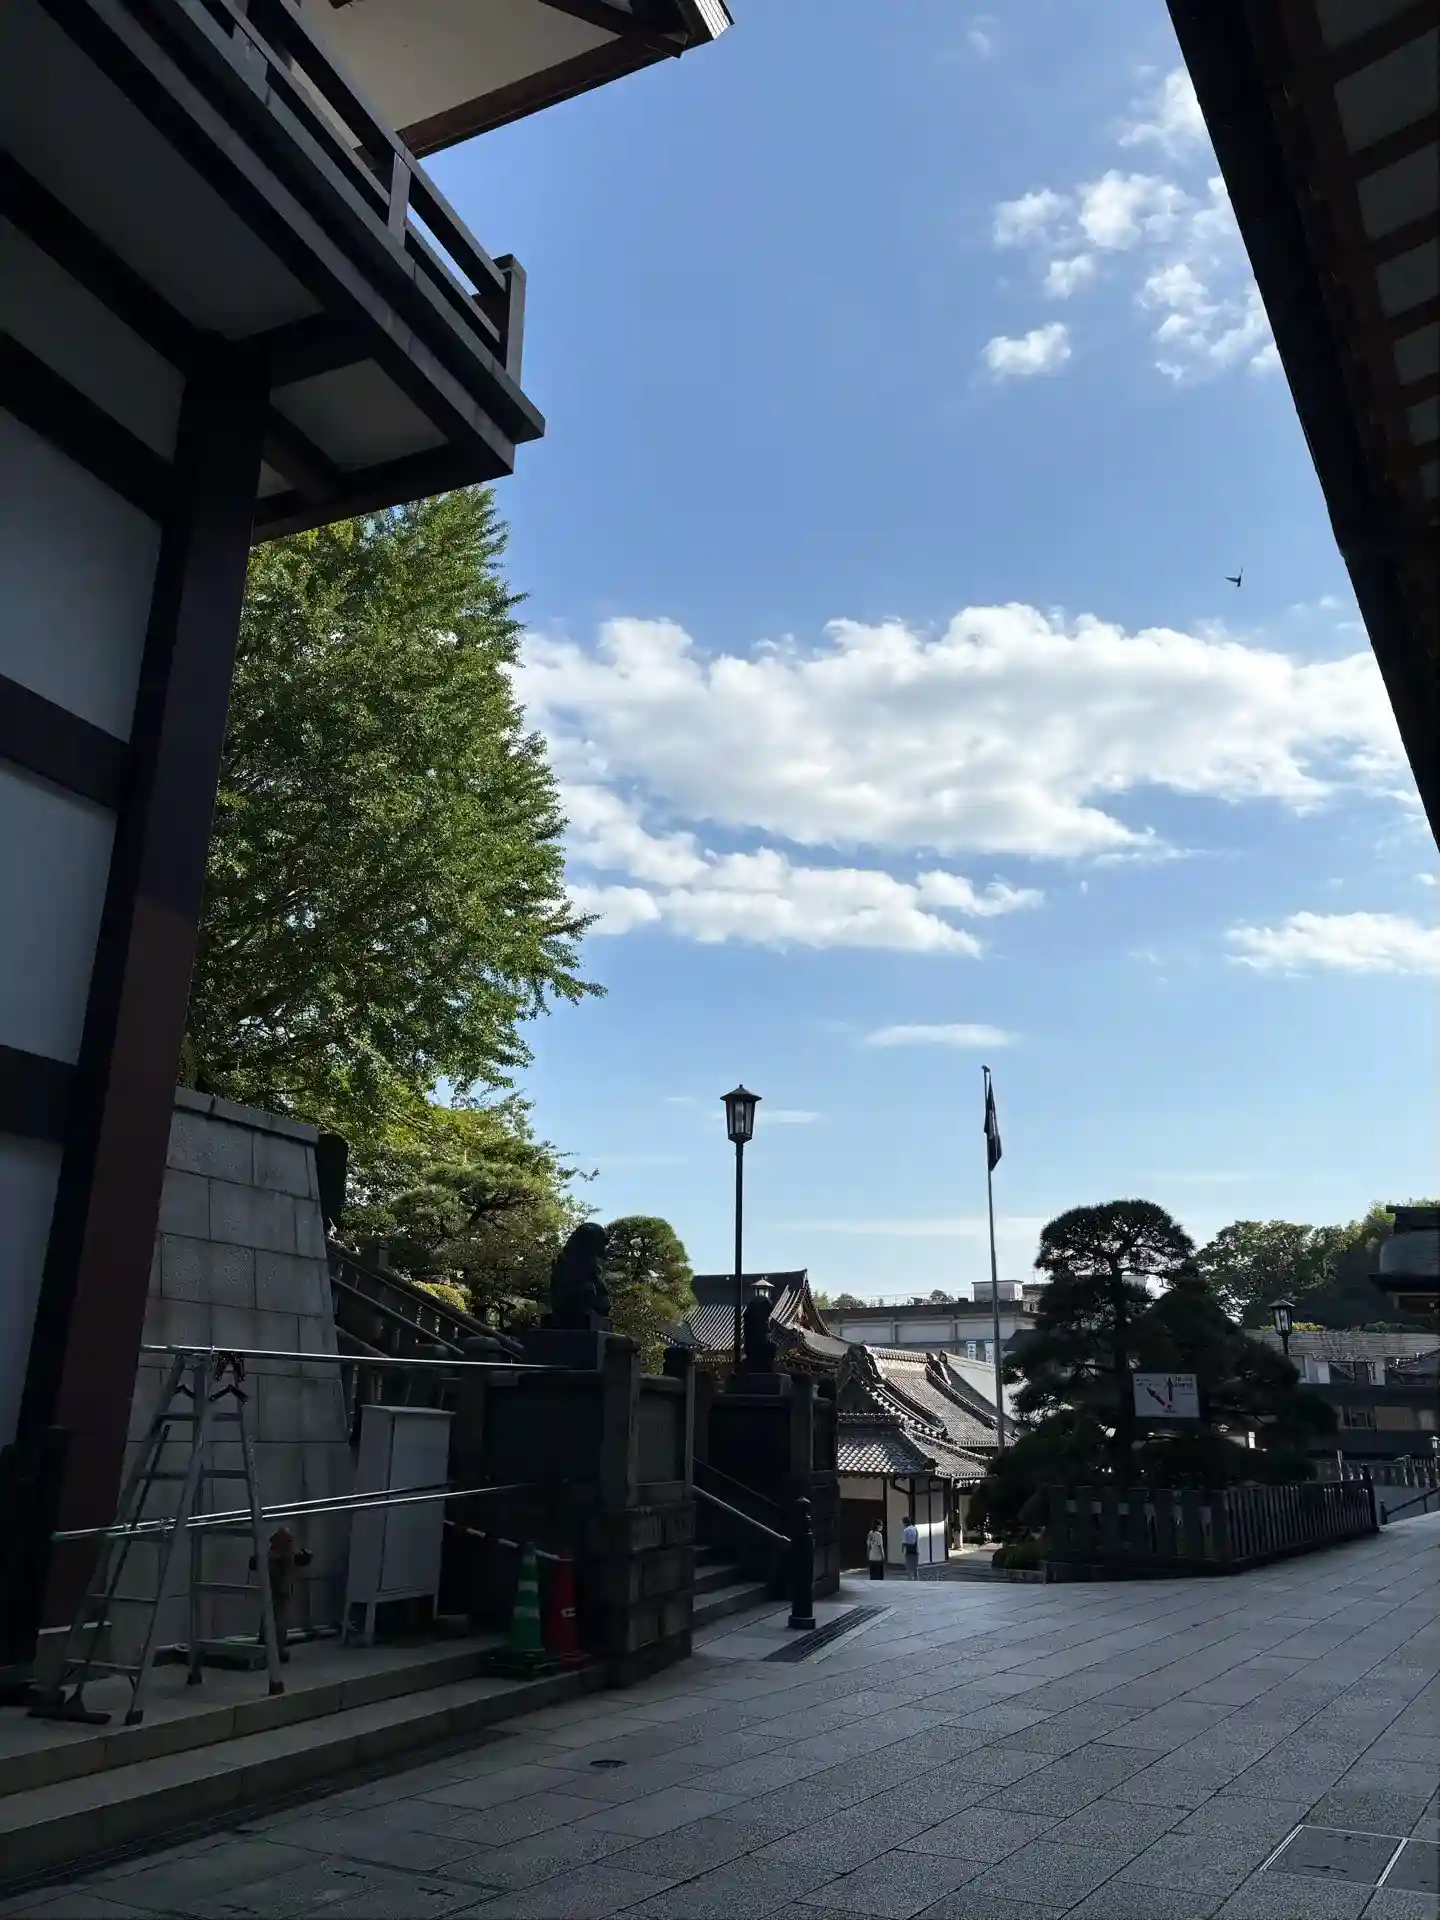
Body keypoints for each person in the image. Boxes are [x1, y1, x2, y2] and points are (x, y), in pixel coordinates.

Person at [901, 1514, 920, 1579]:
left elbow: (904, 1541)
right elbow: (917, 1538)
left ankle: (910, 1580)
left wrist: (902, 1549)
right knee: (915, 1567)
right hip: (915, 1549)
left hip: (908, 1550)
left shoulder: (905, 1530)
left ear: (905, 1523)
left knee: (909, 1567)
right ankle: (916, 1579)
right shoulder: (915, 1529)